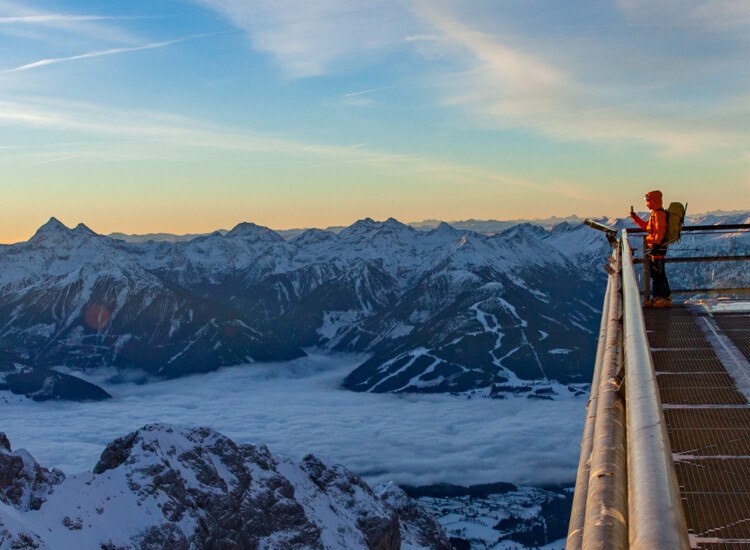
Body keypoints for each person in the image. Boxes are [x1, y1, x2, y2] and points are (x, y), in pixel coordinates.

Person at [630, 190, 671, 307]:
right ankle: (657, 296)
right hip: (654, 247)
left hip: (658, 247)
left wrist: (657, 245)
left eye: (647, 200)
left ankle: (666, 297)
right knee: (655, 273)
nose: (647, 203)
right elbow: (647, 227)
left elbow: (660, 230)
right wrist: (635, 217)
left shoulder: (659, 214)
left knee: (659, 272)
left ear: (653, 201)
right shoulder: (654, 213)